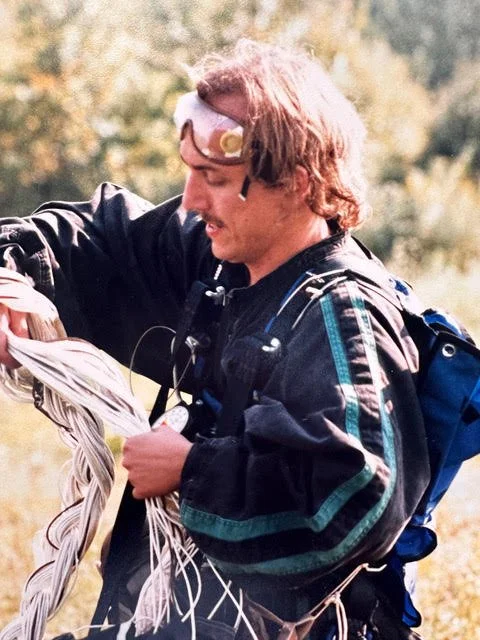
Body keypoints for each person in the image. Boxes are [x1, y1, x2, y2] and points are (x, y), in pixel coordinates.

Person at [0, 39, 429, 639]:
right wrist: (9, 278)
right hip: (180, 617)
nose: (192, 199)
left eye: (216, 179)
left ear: (298, 184)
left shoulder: (343, 315)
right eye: (191, 173)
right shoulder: (220, 261)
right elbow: (95, 239)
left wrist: (191, 469)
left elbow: (358, 500)